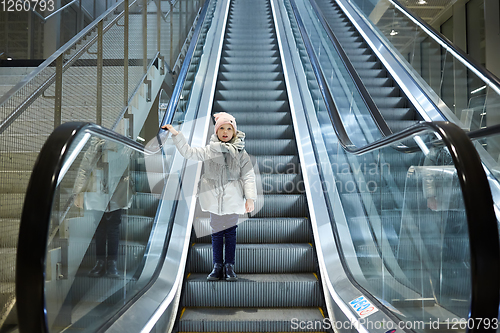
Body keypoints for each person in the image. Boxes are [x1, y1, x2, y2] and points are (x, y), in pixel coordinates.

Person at [162, 112, 257, 281]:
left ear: (234, 132)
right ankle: (217, 266)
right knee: (216, 233)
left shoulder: (241, 153)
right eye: (222, 128)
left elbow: (248, 176)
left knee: (230, 233)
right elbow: (189, 153)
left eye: (229, 128)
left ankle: (229, 266)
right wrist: (177, 135)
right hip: (214, 200)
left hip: (233, 199)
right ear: (216, 131)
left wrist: (250, 198)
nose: (225, 132)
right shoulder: (210, 150)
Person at [73, 138, 135, 278]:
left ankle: (111, 263)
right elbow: (85, 168)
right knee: (99, 227)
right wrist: (78, 192)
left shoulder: (124, 145)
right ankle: (100, 261)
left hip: (117, 191)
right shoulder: (96, 145)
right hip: (97, 191)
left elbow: (127, 161)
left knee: (113, 227)